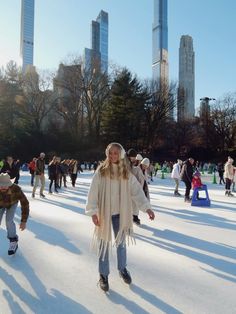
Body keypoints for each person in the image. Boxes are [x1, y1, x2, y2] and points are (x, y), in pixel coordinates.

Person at [86, 143, 155, 292]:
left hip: (120, 213)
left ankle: (122, 269)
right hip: (104, 213)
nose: (112, 156)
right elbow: (93, 191)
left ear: (121, 154)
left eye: (115, 153)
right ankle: (103, 275)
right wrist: (93, 211)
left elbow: (137, 191)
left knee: (121, 243)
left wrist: (147, 207)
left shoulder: (126, 173)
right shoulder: (101, 171)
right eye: (110, 153)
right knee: (103, 244)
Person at [0, 173, 29, 255]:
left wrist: (23, 221)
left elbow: (25, 204)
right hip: (0, 205)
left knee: (9, 220)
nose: (3, 187)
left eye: (5, 185)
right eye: (1, 185)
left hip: (12, 203)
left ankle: (13, 241)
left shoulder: (16, 189)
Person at [127, 148, 145, 225]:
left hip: (134, 187)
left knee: (135, 203)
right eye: (133, 157)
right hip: (129, 187)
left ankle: (134, 216)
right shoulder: (130, 164)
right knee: (131, 203)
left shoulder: (136, 166)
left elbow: (142, 178)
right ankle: (132, 217)